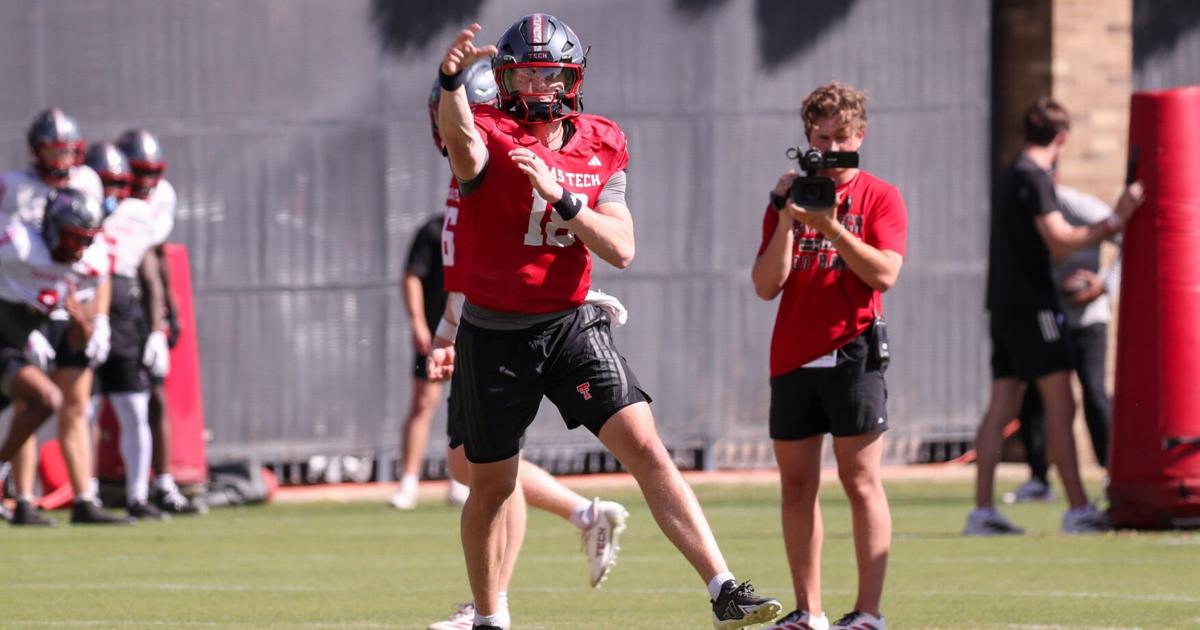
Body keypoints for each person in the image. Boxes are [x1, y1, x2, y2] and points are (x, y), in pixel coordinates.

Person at [432, 16, 781, 629]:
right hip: (495, 335)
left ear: (571, 78)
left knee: (646, 446)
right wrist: (452, 82)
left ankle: (724, 588)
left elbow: (621, 247)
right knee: (491, 486)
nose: (536, 86)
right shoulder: (490, 128)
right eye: (523, 74)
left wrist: (565, 201)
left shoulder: (603, 140)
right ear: (504, 79)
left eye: (548, 73)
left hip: (570, 324)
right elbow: (462, 145)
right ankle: (488, 617)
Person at [421, 59, 633, 630]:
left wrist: (450, 328)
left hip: (504, 328)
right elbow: (470, 259)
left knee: (490, 466)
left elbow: (503, 259)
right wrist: (448, 328)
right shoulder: (469, 167)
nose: (444, 123)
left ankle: (494, 602)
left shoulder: (496, 161)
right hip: (480, 324)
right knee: (472, 464)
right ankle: (580, 517)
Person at [752, 82, 907, 630]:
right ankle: (808, 610)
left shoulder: (880, 196)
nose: (832, 149)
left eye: (842, 138)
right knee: (796, 486)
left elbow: (885, 273)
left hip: (854, 349)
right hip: (794, 354)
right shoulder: (790, 198)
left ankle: (868, 612)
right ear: (807, 140)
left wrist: (833, 228)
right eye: (822, 139)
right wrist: (786, 217)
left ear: (860, 136)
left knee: (860, 481)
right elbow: (766, 285)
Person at [967, 96, 1143, 536]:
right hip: (1035, 308)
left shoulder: (1011, 174)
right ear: (1062, 138)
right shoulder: (1035, 177)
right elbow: (1060, 241)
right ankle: (1079, 509)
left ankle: (983, 512)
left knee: (1001, 405)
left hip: (1003, 305)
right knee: (1062, 406)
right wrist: (1116, 220)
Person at [0, 109, 126, 526]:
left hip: (64, 302)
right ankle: (22, 497)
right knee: (31, 401)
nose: (60, 159)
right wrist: (23, 322)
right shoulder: (18, 233)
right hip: (19, 307)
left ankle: (83, 496)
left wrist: (96, 321)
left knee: (74, 403)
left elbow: (98, 263)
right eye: (52, 150)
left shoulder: (86, 201)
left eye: (66, 150)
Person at [1007, 181, 1119, 504]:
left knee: (1094, 393)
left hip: (1088, 319)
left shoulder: (1080, 206)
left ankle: (1111, 473)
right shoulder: (1028, 209)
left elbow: (1125, 236)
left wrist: (1104, 285)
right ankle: (1038, 479)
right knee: (1034, 397)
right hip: (1049, 317)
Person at [86, 141, 176, 520]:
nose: (111, 192)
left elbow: (150, 272)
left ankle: (139, 496)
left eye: (117, 183)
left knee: (136, 409)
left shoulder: (138, 213)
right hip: (85, 308)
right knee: (84, 410)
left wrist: (157, 329)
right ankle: (86, 493)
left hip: (125, 316)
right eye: (104, 182)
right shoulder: (73, 205)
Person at [115, 128, 198, 514]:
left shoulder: (159, 198)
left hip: (142, 308)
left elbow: (157, 254)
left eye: (152, 173)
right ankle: (92, 491)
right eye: (140, 173)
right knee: (91, 403)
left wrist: (169, 312)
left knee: (156, 396)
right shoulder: (109, 198)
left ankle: (163, 484)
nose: (147, 182)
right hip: (110, 303)